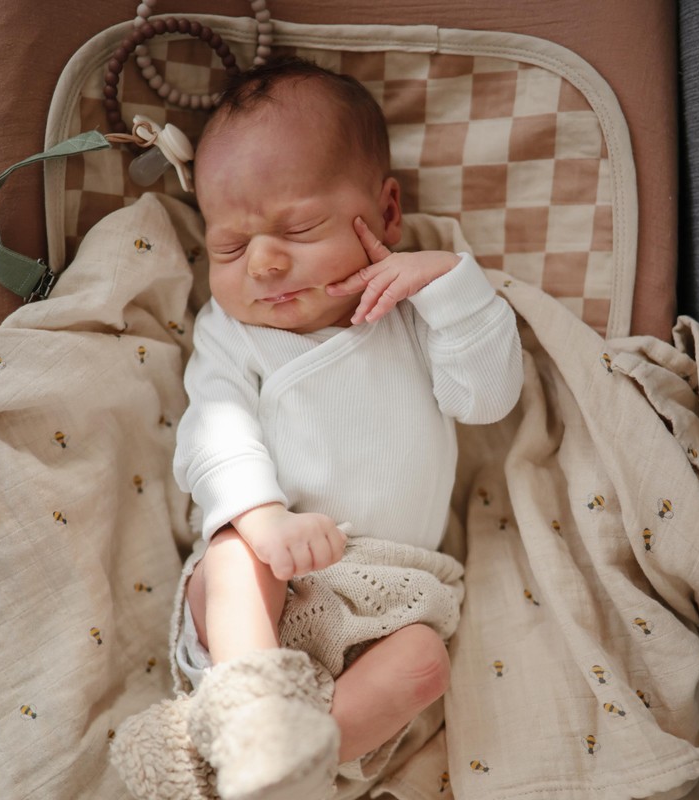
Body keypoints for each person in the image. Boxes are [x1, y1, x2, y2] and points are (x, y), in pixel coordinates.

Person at [172, 56, 524, 800]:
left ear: (387, 214)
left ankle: (296, 767)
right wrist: (263, 519)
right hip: (271, 584)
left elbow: (487, 400)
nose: (263, 263)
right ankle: (255, 722)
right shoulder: (233, 333)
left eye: (298, 228)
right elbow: (213, 429)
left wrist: (453, 288)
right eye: (228, 246)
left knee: (425, 661)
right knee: (232, 559)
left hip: (390, 598)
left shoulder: (414, 315)